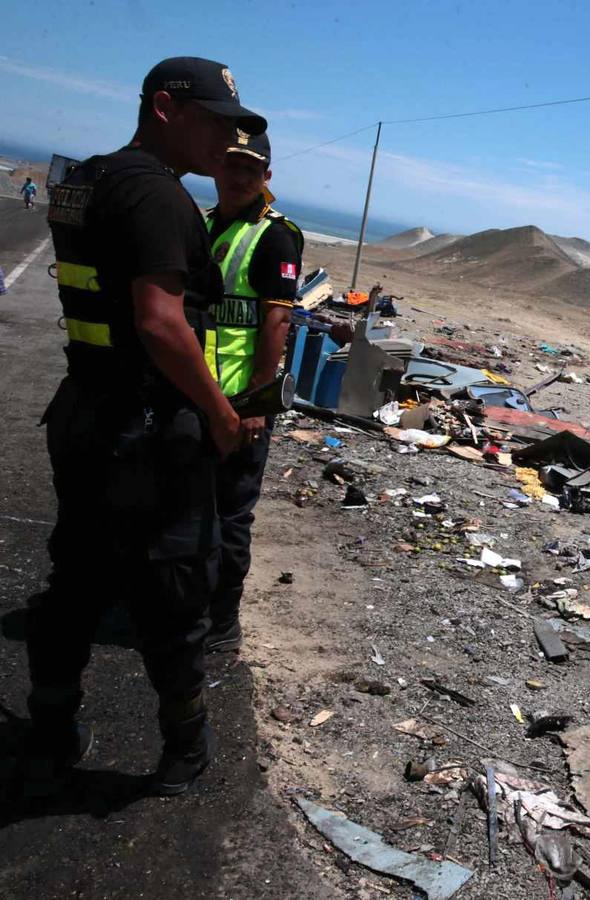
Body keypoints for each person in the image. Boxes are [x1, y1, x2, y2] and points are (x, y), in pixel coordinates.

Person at [22, 57, 265, 798]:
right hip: (150, 429)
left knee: (77, 579)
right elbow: (162, 324)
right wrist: (222, 418)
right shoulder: (158, 195)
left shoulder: (86, 179)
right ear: (165, 108)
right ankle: (184, 754)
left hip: (85, 411)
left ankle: (51, 734)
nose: (224, 138)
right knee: (175, 592)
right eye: (212, 120)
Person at [203, 129, 303, 653]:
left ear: (266, 176)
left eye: (250, 168)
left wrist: (259, 406)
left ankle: (221, 626)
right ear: (216, 167)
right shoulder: (206, 225)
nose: (238, 176)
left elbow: (277, 325)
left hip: (242, 405)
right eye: (230, 164)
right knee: (187, 508)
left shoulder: (275, 236)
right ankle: (185, 608)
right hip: (197, 396)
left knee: (230, 517)